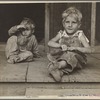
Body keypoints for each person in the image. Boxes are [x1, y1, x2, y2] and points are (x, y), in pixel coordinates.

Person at [47, 7, 92, 82]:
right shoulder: (61, 33)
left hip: (77, 59)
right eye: (67, 22)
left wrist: (76, 48)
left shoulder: (79, 35)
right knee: (56, 52)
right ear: (63, 24)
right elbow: (50, 43)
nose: (70, 25)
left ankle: (57, 66)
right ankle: (59, 72)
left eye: (73, 22)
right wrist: (60, 45)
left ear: (79, 25)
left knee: (70, 55)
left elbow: (89, 49)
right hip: (63, 56)